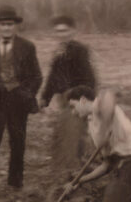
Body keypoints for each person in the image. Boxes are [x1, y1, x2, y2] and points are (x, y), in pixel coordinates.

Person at [0, 5, 42, 189]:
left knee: (17, 142)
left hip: (17, 103)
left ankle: (15, 182)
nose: (6, 28)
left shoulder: (27, 47)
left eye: (10, 24)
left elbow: (36, 76)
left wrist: (25, 94)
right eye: (3, 24)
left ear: (16, 26)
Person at [39, 15, 97, 171]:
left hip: (78, 99)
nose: (61, 34)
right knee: (65, 132)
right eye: (58, 31)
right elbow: (53, 77)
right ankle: (69, 166)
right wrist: (45, 98)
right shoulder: (59, 51)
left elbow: (89, 79)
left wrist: (79, 96)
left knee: (74, 133)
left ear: (73, 31)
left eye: (64, 31)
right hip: (63, 99)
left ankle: (74, 168)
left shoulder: (80, 50)